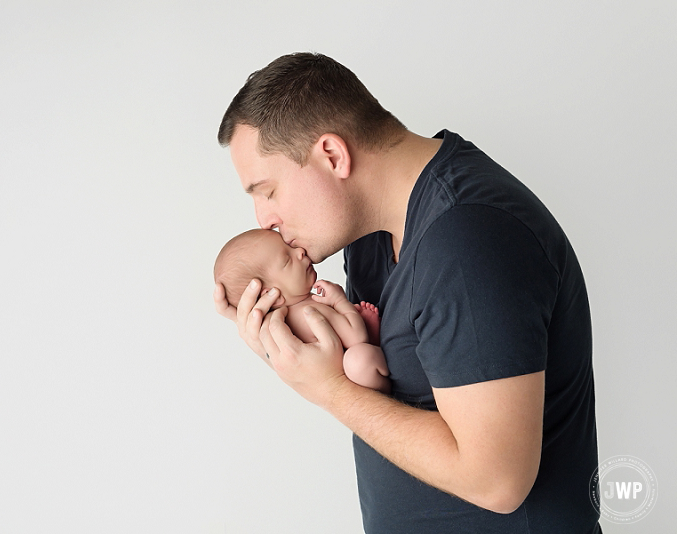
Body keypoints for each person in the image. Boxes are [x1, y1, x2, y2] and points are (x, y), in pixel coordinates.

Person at [213, 52, 600, 533]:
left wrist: (327, 391)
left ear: (332, 155)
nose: (262, 219)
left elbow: (497, 482)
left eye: (266, 190)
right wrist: (282, 335)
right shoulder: (371, 235)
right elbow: (380, 387)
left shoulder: (467, 240)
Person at [214, 228, 390, 393]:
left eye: (291, 246)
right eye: (287, 259)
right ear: (271, 295)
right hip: (361, 383)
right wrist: (339, 300)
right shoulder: (309, 311)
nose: (300, 251)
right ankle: (388, 390)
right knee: (359, 358)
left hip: (339, 386)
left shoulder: (281, 324)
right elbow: (356, 337)